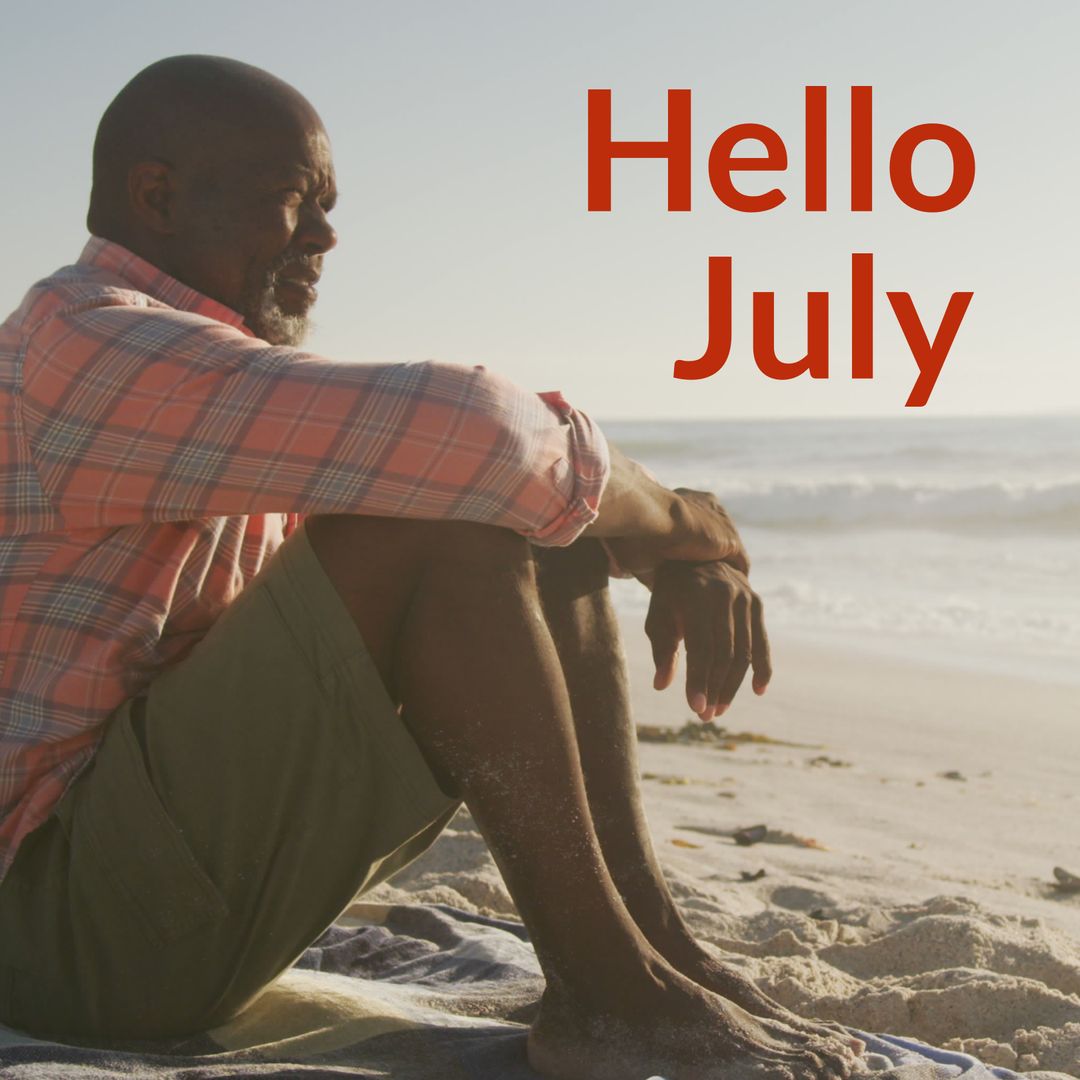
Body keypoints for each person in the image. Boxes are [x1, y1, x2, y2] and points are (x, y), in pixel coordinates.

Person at [0, 55, 861, 1080]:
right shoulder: (82, 345)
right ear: (158, 194)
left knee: (507, 519)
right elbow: (483, 434)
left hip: (144, 900)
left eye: (328, 208)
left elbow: (513, 472)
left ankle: (644, 947)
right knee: (445, 516)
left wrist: (668, 547)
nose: (325, 238)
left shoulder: (199, 376)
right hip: (52, 936)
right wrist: (690, 526)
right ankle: (606, 990)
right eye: (292, 202)